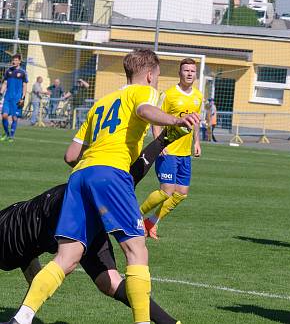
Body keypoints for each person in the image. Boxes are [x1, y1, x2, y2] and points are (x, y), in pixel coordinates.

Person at [3, 49, 200, 324]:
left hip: (80, 177)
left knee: (66, 257)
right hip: (111, 174)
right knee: (136, 250)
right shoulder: (143, 92)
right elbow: (145, 110)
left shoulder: (101, 103)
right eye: (155, 79)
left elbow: (70, 156)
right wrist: (175, 119)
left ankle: (21, 319)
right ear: (150, 75)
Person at [0, 127, 188, 324]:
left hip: (68, 212)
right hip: (34, 217)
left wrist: (161, 141)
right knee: (78, 265)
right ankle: (21, 319)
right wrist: (161, 141)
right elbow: (28, 256)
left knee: (109, 282)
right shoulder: (14, 230)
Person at [139, 58, 203, 240]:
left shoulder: (198, 96)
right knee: (166, 190)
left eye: (192, 71)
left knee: (181, 194)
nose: (189, 74)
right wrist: (159, 145)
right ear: (179, 73)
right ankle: (135, 217)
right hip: (168, 150)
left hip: (184, 153)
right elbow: (156, 118)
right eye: (186, 70)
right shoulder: (169, 94)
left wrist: (196, 142)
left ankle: (151, 222)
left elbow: (195, 121)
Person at [0, 54, 28, 141]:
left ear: (19, 61)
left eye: (16, 60)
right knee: (4, 116)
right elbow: (5, 83)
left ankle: (11, 135)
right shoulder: (8, 71)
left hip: (17, 99)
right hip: (7, 98)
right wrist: (1, 93)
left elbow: (25, 86)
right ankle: (7, 134)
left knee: (14, 118)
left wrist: (23, 98)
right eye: (13, 60)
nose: (14, 62)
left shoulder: (23, 72)